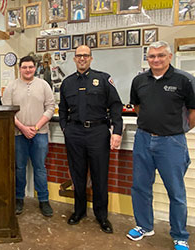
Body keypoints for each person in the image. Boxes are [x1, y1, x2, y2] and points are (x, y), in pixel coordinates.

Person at [126, 41, 195, 250]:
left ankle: (179, 235)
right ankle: (144, 226)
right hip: (143, 139)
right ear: (147, 59)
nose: (156, 60)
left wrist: (177, 130)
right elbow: (138, 106)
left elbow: (193, 111)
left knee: (176, 191)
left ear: (169, 56)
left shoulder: (185, 80)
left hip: (171, 142)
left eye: (160, 56)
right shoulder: (139, 81)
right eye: (152, 56)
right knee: (140, 186)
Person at [58, 45, 123, 234]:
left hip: (98, 132)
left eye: (85, 56)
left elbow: (116, 106)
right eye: (78, 56)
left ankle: (102, 216)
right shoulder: (67, 83)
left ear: (91, 58)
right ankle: (79, 211)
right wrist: (65, 128)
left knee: (99, 176)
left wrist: (117, 131)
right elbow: (62, 109)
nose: (82, 59)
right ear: (74, 58)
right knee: (77, 175)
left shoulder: (103, 79)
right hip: (75, 133)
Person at [2, 55, 55, 217]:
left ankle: (44, 200)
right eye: (24, 67)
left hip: (40, 134)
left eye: (30, 67)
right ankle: (19, 198)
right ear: (19, 68)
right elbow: (7, 111)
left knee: (40, 168)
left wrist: (36, 127)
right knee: (19, 168)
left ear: (35, 68)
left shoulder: (44, 85)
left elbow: (50, 108)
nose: (27, 70)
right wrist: (23, 128)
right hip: (18, 133)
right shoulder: (11, 86)